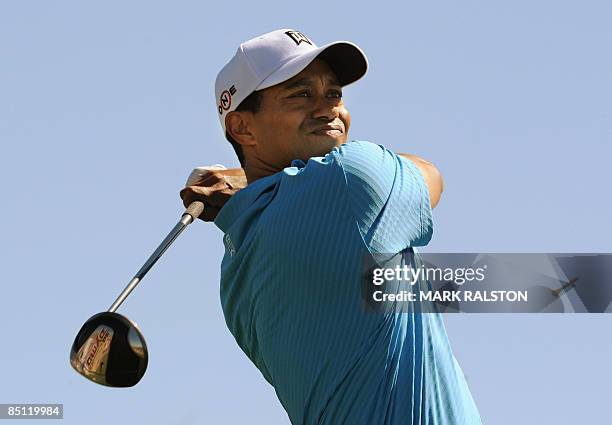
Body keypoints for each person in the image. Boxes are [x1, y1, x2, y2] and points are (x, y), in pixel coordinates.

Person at [180, 29, 482, 424]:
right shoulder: (349, 181)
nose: (328, 110)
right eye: (300, 95)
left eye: (334, 94)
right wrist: (254, 180)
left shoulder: (234, 272)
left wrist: (253, 181)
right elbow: (430, 175)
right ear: (243, 129)